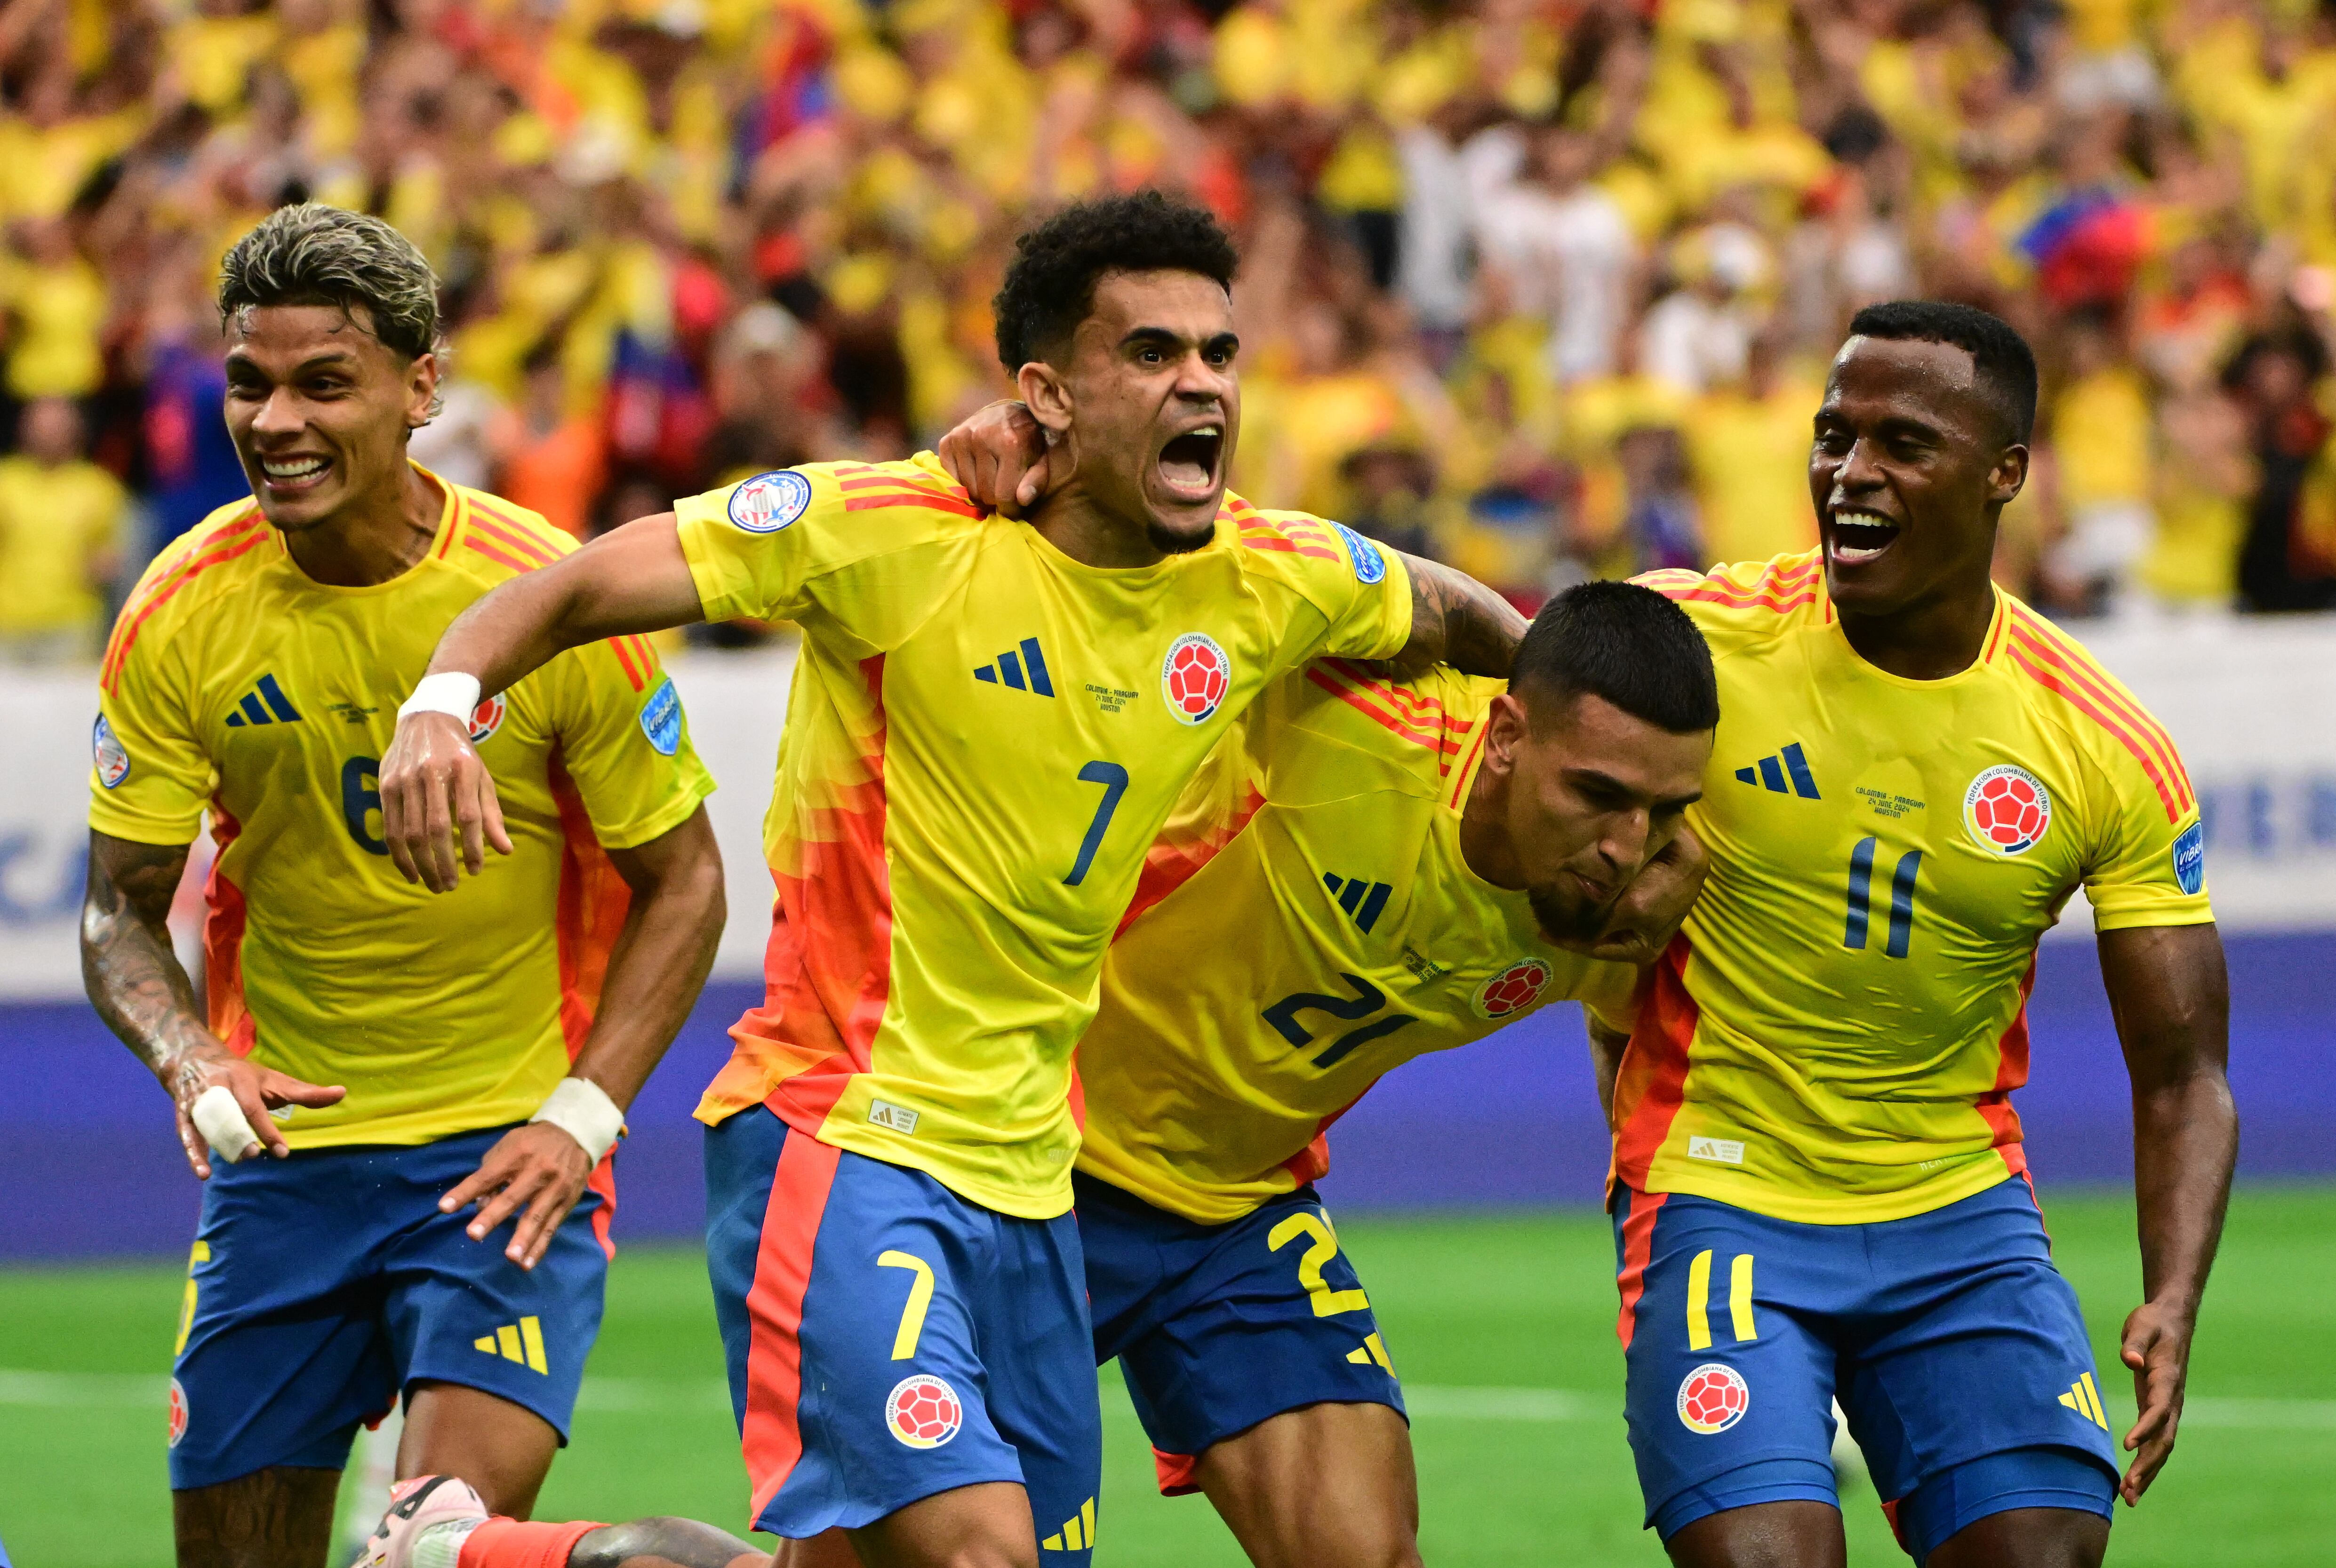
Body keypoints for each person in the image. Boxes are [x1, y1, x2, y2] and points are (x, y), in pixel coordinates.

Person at [366, 190, 1522, 1568]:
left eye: (1215, 352)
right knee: (979, 1557)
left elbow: (1446, 610)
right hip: (841, 1125)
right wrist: (441, 704)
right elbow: (576, 586)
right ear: (1045, 394)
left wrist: (1564, 681)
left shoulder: (1269, 576)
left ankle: (474, 1555)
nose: (1200, 381)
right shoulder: (896, 533)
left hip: (1036, 1176)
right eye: (1151, 353)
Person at [78, 203, 728, 1568]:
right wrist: (192, 1053)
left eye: (326, 381)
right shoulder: (181, 611)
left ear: (421, 388)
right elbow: (119, 908)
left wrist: (584, 1117)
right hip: (285, 1172)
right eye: (250, 382)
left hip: (503, 1164)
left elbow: (686, 882)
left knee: (436, 1549)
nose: (276, 420)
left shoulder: (548, 600)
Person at [1599, 302, 2234, 1567]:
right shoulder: (1698, 644)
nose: (1851, 471)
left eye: (1905, 441)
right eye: (1835, 436)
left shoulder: (2102, 745)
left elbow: (2183, 1072)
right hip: (1724, 1190)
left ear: (2005, 475)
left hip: (1958, 1210)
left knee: (2047, 1548)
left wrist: (2170, 1290)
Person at [1065, 581, 1715, 1568]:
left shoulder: (1619, 912)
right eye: (1595, 794)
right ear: (1504, 736)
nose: (1625, 845)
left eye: (1661, 810)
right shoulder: (1350, 726)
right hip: (1032, 1163)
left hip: (1233, 1213)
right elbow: (1249, 569)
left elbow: (1632, 1052)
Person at [0, 396, 126, 663]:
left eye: (58, 427)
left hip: (73, 623)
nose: (49, 435)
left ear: (76, 431)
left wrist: (106, 563)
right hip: (8, 622)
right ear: (24, 430)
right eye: (41, 427)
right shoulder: (5, 481)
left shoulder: (100, 486)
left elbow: (117, 555)